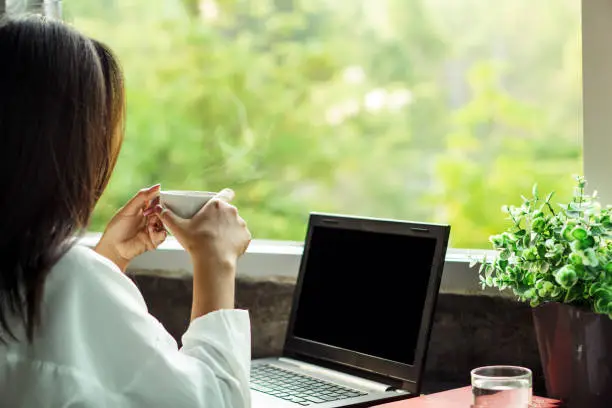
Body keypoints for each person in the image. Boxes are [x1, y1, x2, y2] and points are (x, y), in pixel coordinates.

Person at [0, 15, 252, 408]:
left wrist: (108, 260)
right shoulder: (68, 280)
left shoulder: (54, 277)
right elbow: (216, 402)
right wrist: (216, 260)